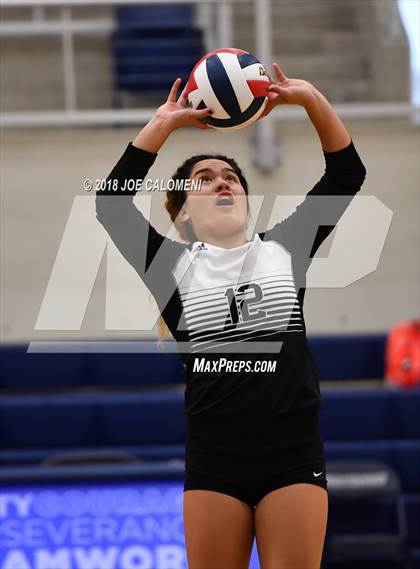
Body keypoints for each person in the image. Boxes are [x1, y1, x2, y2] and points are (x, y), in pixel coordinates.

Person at [96, 63, 366, 569]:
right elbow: (110, 205)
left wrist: (310, 99)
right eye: (204, 179)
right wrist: (164, 124)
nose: (222, 183)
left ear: (245, 197)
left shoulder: (285, 248)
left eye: (231, 178)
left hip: (292, 450)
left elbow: (347, 173)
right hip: (215, 457)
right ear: (183, 210)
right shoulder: (169, 267)